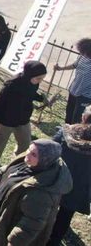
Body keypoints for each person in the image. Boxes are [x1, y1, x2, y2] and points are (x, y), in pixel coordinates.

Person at [0, 139, 72, 246]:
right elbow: (15, 168)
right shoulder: (32, 162)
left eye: (33, 154)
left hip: (12, 227)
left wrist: (14, 241)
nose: (27, 154)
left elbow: (32, 223)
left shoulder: (41, 193)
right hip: (8, 213)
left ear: (44, 160)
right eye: (29, 149)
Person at [0, 61, 47, 172]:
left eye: (42, 79)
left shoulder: (33, 83)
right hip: (6, 118)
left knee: (25, 142)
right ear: (29, 75)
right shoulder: (12, 84)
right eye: (38, 79)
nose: (39, 81)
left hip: (23, 119)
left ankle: (19, 161)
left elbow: (30, 93)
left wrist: (40, 98)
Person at [46, 105, 91, 245]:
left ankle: (38, 233)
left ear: (84, 117)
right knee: (65, 216)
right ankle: (53, 241)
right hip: (79, 188)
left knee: (45, 207)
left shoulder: (67, 132)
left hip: (56, 178)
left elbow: (49, 151)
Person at [53, 38, 91, 124]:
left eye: (83, 52)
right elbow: (74, 65)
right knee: (69, 112)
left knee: (77, 117)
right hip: (74, 89)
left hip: (85, 95)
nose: (81, 53)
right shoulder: (82, 56)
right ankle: (65, 129)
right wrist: (60, 68)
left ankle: (73, 133)